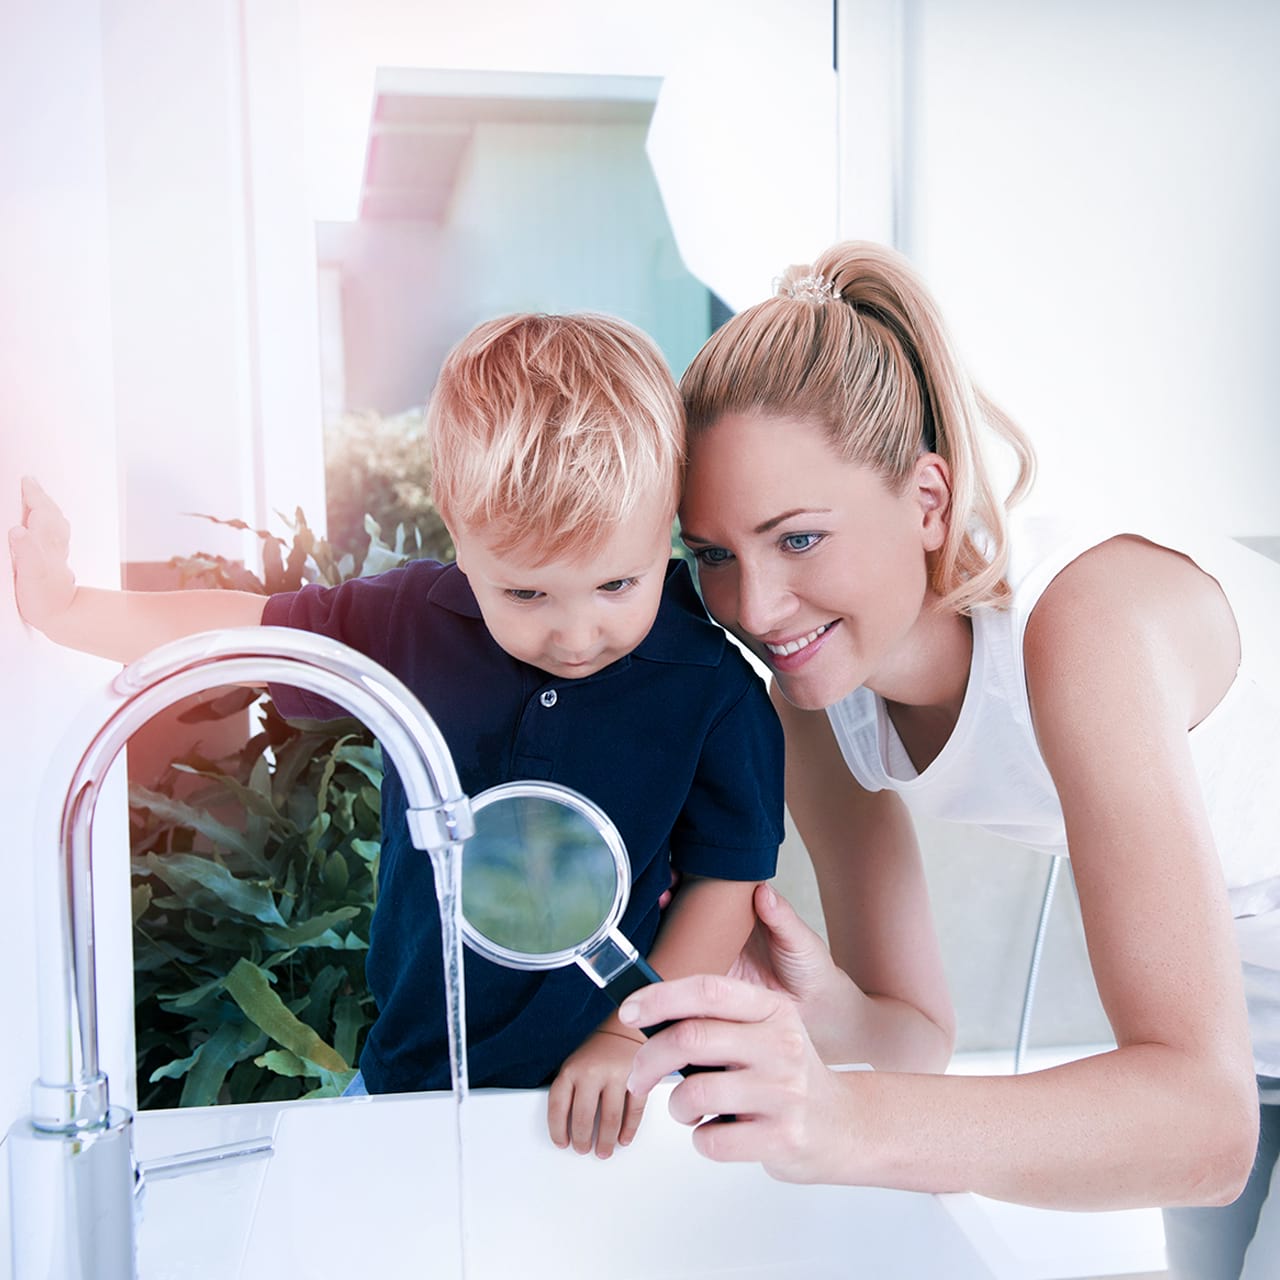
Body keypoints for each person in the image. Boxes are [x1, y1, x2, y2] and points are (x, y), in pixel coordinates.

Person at [617, 241, 1280, 1278]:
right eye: (713, 555)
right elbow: (915, 1037)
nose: (755, 605)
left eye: (798, 539)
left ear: (928, 500)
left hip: (1216, 1076)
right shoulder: (815, 696)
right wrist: (824, 1011)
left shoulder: (1087, 624)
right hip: (1247, 1033)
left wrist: (842, 1119)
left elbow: (1200, 1125)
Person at [9, 312, 784, 1161]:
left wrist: (626, 1038)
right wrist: (70, 609)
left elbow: (728, 878)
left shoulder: (714, 690)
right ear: (457, 526)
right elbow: (252, 633)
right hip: (411, 1077)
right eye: (526, 594)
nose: (575, 635)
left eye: (616, 585)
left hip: (615, 1099)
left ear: (667, 520)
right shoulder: (413, 623)